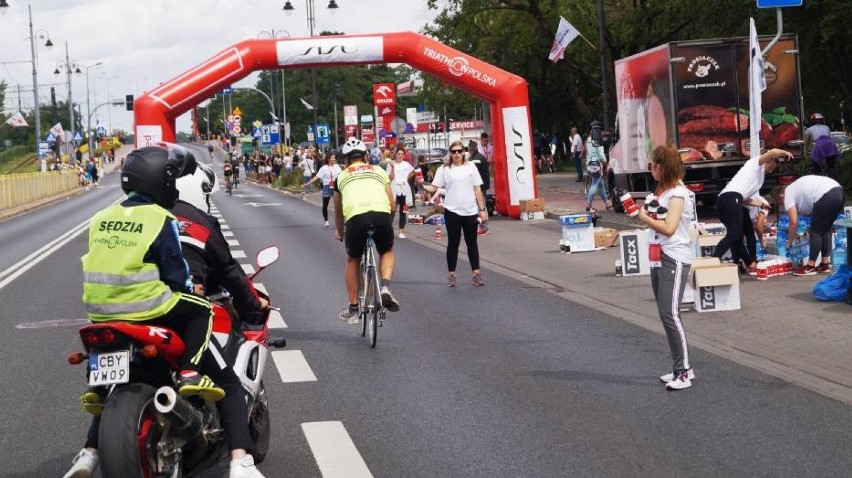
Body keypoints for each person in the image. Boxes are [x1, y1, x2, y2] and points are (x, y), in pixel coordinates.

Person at [68, 144, 265, 478]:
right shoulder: (162, 218)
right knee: (208, 331)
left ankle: (88, 453)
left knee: (116, 383)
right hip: (149, 308)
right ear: (161, 182)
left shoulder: (102, 216)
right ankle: (238, 458)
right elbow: (176, 274)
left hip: (101, 312)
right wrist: (190, 289)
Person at [636, 145, 696, 390]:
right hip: (658, 255)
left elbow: (669, 227)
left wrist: (642, 216)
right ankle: (682, 367)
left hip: (673, 256)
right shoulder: (662, 192)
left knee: (670, 313)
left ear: (663, 167)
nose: (651, 169)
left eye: (654, 165)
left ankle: (682, 371)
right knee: (667, 313)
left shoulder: (678, 194)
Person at [333, 138, 401, 324]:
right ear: (366, 157)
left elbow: (338, 212)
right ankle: (385, 287)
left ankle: (354, 308)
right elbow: (393, 205)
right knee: (386, 251)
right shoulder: (379, 171)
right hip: (381, 214)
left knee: (353, 258)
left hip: (356, 217)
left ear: (345, 161)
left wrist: (340, 232)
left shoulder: (341, 177)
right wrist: (388, 222)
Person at [712, 147, 793, 274]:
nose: (773, 170)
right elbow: (772, 151)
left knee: (738, 236)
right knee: (734, 234)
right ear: (768, 160)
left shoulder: (759, 178)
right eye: (773, 165)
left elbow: (745, 199)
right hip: (730, 198)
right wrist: (785, 152)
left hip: (730, 199)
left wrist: (761, 204)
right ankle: (713, 260)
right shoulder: (755, 164)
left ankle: (750, 263)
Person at [420, 140, 489, 287]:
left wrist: (482, 210)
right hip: (452, 211)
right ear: (450, 154)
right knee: (453, 243)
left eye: (459, 151)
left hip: (470, 210)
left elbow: (477, 188)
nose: (457, 154)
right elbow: (434, 187)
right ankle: (452, 274)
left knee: (472, 243)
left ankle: (476, 274)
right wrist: (422, 185)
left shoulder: (471, 167)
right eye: (454, 151)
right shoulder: (445, 169)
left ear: (463, 152)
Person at [782, 175, 845, 275]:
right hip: (839, 191)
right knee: (825, 230)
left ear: (780, 195)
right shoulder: (795, 188)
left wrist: (789, 242)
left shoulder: (787, 193)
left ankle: (810, 266)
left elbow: (793, 222)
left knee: (815, 232)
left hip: (826, 194)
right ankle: (824, 264)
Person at [304, 152, 342, 226]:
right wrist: (308, 183)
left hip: (336, 186)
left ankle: (340, 220)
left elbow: (342, 175)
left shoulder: (337, 167)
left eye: (334, 158)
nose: (334, 159)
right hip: (327, 186)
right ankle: (326, 221)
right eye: (333, 158)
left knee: (338, 205)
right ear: (328, 159)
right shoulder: (324, 168)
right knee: (325, 204)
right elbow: (317, 177)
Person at [387, 145, 415, 238]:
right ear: (395, 154)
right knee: (392, 210)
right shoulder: (391, 164)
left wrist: (407, 178)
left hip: (405, 190)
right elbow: (390, 178)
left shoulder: (406, 164)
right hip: (395, 189)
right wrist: (393, 168)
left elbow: (413, 171)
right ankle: (388, 230)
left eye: (402, 154)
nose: (400, 155)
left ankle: (401, 231)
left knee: (404, 211)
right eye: (399, 154)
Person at [585, 121, 610, 212]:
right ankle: (588, 203)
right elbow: (601, 155)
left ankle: (607, 203)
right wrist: (605, 162)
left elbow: (587, 152)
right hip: (596, 164)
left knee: (601, 184)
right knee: (595, 184)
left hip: (590, 164)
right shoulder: (598, 140)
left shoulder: (588, 139)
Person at [805, 112, 839, 178]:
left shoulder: (809, 129)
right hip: (831, 143)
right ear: (821, 120)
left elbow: (807, 141)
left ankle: (817, 172)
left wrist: (806, 149)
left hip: (820, 143)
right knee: (831, 165)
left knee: (815, 159)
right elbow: (828, 137)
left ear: (812, 121)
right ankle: (833, 176)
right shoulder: (826, 127)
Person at [467, 140, 491, 235]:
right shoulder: (482, 157)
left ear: (470, 148)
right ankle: (481, 226)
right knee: (481, 206)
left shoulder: (472, 160)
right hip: (483, 185)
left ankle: (484, 227)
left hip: (477, 187)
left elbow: (471, 175)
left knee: (481, 207)